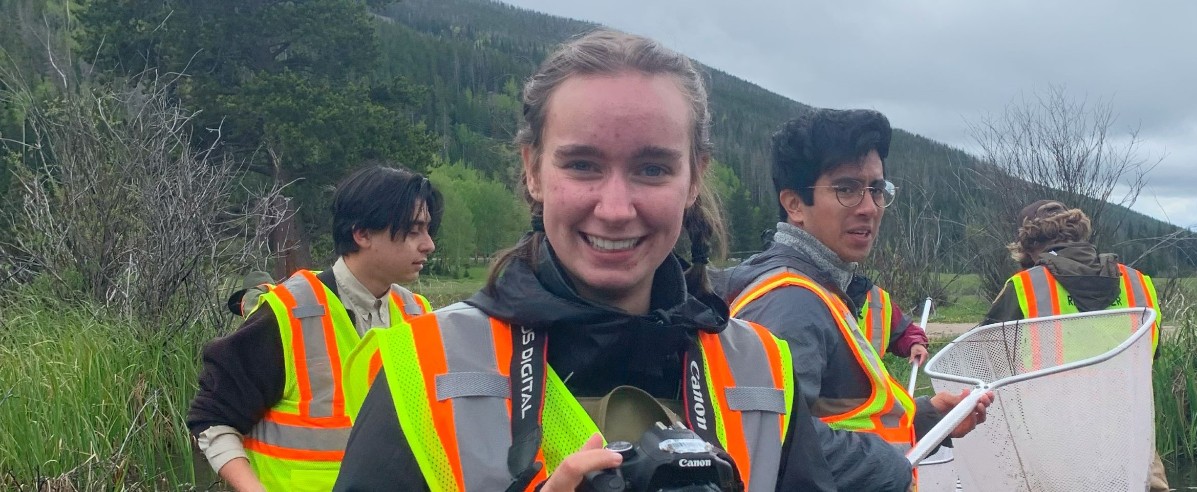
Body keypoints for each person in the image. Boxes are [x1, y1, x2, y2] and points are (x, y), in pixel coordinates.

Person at [334, 30, 860, 491]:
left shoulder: (763, 370)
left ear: (695, 178)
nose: (614, 208)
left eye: (652, 169)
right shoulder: (427, 368)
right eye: (583, 164)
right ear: (533, 170)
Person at [717, 109, 991, 490]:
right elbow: (771, 444)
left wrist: (926, 419)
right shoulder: (790, 301)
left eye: (877, 190)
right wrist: (889, 467)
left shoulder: (821, 285)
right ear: (794, 204)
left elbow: (832, 418)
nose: (869, 208)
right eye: (846, 189)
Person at [187, 164, 441, 491]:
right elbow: (211, 418)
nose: (428, 244)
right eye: (413, 230)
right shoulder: (286, 315)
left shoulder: (418, 317)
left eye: (428, 229)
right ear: (362, 233)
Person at [981, 199, 1166, 491]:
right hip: (1133, 444)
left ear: (1027, 247)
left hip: (1056, 452)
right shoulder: (1139, 282)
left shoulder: (1024, 286)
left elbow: (985, 365)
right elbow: (1151, 355)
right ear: (1080, 234)